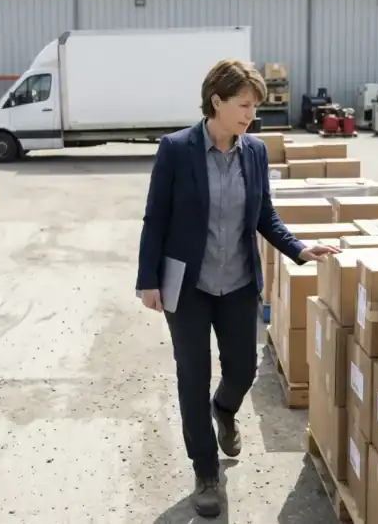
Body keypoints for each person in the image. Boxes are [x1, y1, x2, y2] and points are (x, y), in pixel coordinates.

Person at [135, 59, 340, 518]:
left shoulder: (255, 152)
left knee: (243, 369)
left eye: (254, 107)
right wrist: (147, 279)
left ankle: (224, 409)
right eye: (244, 105)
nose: (251, 114)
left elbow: (265, 215)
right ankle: (205, 470)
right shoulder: (176, 150)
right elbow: (156, 218)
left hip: (239, 282)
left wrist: (299, 249)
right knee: (192, 374)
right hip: (188, 286)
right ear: (217, 102)